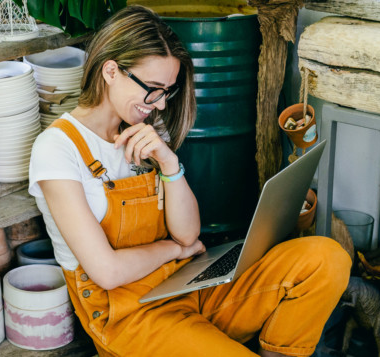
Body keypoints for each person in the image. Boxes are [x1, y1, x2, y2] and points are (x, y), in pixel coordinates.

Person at [28, 5, 351, 356]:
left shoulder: (145, 130)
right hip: (131, 318)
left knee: (326, 258)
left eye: (167, 91)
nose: (161, 104)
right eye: (153, 88)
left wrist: (169, 162)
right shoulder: (57, 150)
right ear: (110, 71)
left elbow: (188, 233)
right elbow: (106, 272)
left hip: (187, 286)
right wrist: (176, 251)